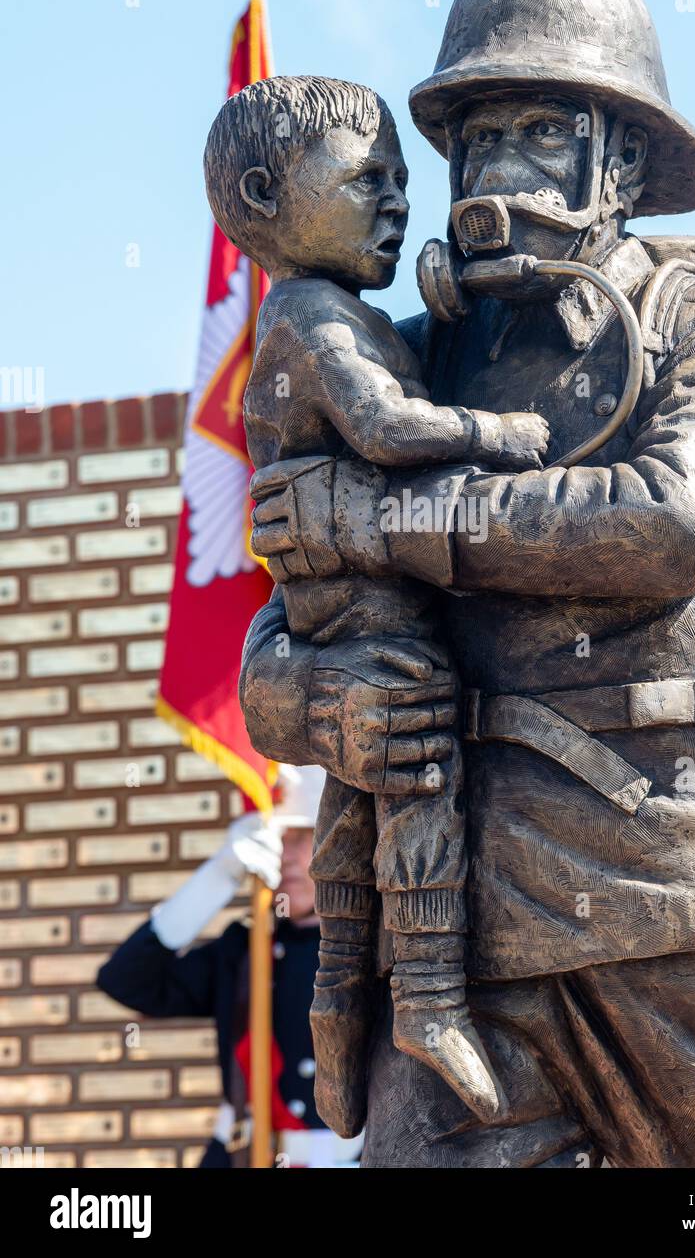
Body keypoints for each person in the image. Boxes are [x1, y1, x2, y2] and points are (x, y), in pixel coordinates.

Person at [238, 0, 695, 1169]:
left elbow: (666, 519)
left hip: (678, 899)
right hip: (457, 937)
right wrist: (320, 698)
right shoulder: (398, 362)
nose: (499, 167)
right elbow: (283, 637)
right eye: (477, 136)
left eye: (543, 132)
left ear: (620, 158)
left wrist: (389, 521)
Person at [203, 74, 548, 1130]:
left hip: (346, 601)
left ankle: (341, 1006)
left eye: (403, 180)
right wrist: (497, 437)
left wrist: (436, 308)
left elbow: (382, 363)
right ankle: (432, 1001)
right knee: (416, 763)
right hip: (365, 615)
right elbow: (391, 424)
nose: (399, 201)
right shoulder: (307, 316)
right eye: (367, 181)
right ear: (267, 195)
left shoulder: (327, 314)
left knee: (358, 809)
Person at [96, 765, 360, 1168]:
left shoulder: (373, 953)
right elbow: (126, 981)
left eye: (302, 838)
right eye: (277, 840)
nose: (285, 855)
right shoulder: (243, 950)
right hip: (240, 1157)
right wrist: (218, 876)